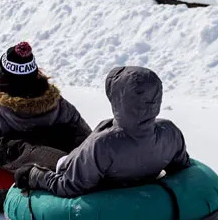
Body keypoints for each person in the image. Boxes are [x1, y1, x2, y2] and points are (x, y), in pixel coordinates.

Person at [15, 66, 190, 197]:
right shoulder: (170, 132)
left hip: (92, 188)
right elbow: (181, 170)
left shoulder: (105, 145)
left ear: (119, 100)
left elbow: (68, 186)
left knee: (35, 154)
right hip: (140, 188)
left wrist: (35, 176)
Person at [0, 42, 91, 173]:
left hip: (26, 175)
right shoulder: (61, 106)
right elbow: (88, 139)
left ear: (3, 76)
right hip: (71, 169)